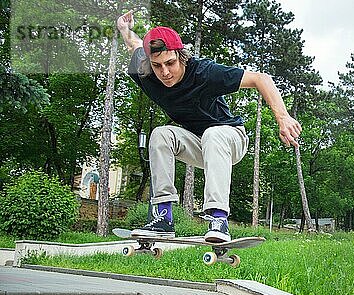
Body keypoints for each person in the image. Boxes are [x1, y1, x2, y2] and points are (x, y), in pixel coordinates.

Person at [116, 11, 301, 242]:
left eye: (170, 63)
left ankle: (218, 219)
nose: (164, 72)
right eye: (157, 66)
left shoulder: (204, 72)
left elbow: (261, 78)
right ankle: (162, 216)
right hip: (197, 144)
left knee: (213, 134)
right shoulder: (144, 71)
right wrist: (125, 30)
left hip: (231, 138)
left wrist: (283, 118)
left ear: (181, 56)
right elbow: (134, 45)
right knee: (160, 134)